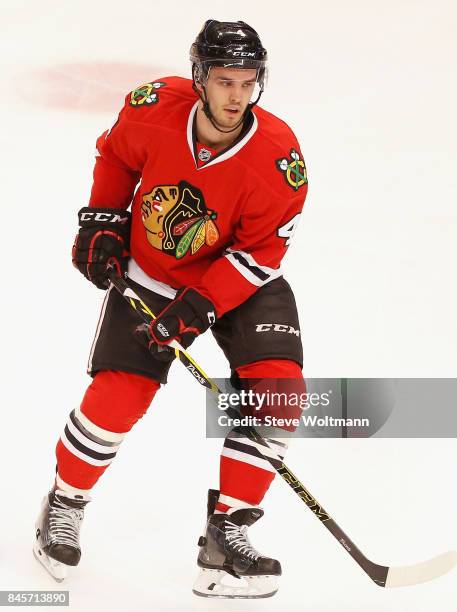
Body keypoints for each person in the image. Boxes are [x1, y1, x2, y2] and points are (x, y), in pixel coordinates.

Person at [34, 19, 308, 598]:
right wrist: (104, 220)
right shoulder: (153, 106)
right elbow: (116, 157)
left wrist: (203, 304)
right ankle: (63, 503)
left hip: (240, 280)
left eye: (248, 81)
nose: (237, 96)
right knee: (117, 396)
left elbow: (262, 250)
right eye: (226, 80)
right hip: (155, 272)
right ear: (200, 77)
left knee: (280, 390)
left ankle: (226, 538)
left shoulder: (278, 157)